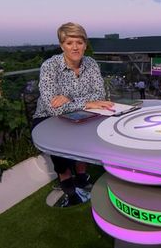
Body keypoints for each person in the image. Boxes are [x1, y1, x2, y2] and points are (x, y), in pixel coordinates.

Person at [32, 22, 114, 207]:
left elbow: (99, 95)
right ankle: (66, 180)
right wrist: (85, 101)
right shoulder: (50, 66)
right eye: (69, 43)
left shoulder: (91, 64)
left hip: (81, 112)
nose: (75, 47)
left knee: (95, 126)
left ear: (85, 44)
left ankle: (82, 173)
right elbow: (53, 108)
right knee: (59, 138)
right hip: (48, 118)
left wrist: (68, 98)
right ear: (62, 45)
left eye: (79, 42)